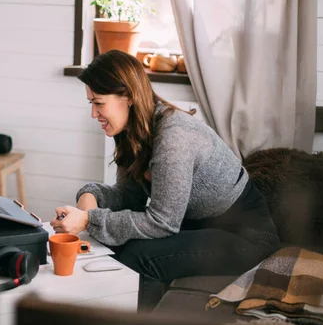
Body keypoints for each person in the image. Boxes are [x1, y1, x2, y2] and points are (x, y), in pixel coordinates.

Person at [50, 50, 280, 310]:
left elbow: (162, 222)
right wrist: (90, 198)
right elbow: (130, 196)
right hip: (197, 225)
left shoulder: (174, 136)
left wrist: (90, 220)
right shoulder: (132, 131)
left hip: (246, 237)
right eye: (90, 102)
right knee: (121, 243)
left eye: (99, 103)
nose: (94, 114)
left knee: (139, 256)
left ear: (129, 97)